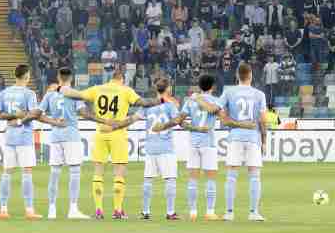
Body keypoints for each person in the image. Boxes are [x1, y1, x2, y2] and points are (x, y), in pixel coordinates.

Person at [59, 63, 163, 219]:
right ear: (122, 79)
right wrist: (161, 100)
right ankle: (117, 210)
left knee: (98, 172)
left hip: (100, 132)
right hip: (118, 133)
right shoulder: (126, 90)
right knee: (119, 172)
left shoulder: (98, 88)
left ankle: (99, 210)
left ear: (111, 77)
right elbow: (144, 103)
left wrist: (62, 89)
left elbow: (78, 95)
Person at [214, 62, 268, 221]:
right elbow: (263, 120)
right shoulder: (259, 94)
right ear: (251, 75)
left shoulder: (229, 92)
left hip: (235, 137)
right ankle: (253, 212)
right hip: (253, 137)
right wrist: (264, 141)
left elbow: (216, 109)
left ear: (238, 75)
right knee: (255, 176)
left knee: (231, 175)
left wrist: (226, 119)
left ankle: (229, 213)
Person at [39, 68, 90, 220]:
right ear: (71, 78)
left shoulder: (49, 94)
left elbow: (39, 113)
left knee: (54, 173)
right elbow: (83, 112)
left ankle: (51, 209)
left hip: (55, 135)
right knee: (74, 171)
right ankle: (73, 209)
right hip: (71, 135)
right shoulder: (73, 94)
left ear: (58, 77)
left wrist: (53, 121)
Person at [0, 64, 42, 219]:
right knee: (27, 173)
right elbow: (33, 114)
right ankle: (29, 210)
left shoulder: (4, 93)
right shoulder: (29, 93)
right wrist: (20, 120)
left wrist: (11, 118)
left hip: (9, 137)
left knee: (7, 172)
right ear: (27, 76)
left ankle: (3, 209)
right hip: (24, 137)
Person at [138, 78, 184, 220]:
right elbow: (178, 120)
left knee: (148, 179)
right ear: (168, 89)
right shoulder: (170, 105)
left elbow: (134, 117)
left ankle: (145, 211)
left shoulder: (148, 106)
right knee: (170, 179)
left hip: (151, 146)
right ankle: (170, 212)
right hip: (166, 147)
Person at [181, 74, 221, 219]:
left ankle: (192, 212)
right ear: (213, 87)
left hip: (193, 143)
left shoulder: (190, 101)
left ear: (199, 86)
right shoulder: (216, 101)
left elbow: (180, 121)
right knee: (210, 178)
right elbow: (216, 111)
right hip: (208, 143)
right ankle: (210, 212)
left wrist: (193, 128)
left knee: (192, 179)